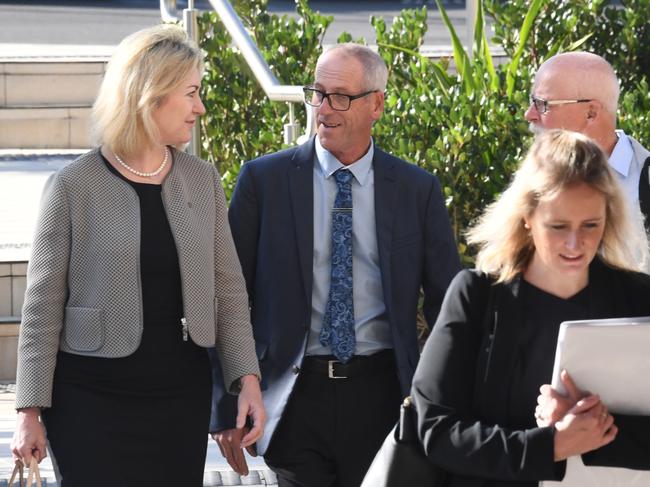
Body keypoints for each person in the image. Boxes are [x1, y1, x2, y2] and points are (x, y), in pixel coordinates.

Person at [11, 24, 265, 487]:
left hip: (179, 398)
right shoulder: (72, 186)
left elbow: (229, 291)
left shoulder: (202, 180)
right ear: (152, 95)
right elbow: (42, 307)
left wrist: (246, 379)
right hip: (90, 400)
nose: (200, 107)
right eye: (190, 93)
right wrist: (29, 411)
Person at [210, 42, 461, 486]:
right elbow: (226, 298)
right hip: (293, 397)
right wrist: (225, 401)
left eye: (340, 97)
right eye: (318, 93)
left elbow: (449, 305)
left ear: (377, 104)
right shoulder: (263, 182)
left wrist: (450, 403)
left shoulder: (415, 190)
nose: (324, 109)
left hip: (385, 396)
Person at [410, 129, 650, 487]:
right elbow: (435, 428)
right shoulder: (477, 297)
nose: (575, 243)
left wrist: (594, 428)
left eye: (591, 225)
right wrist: (549, 446)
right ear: (526, 217)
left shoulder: (637, 299)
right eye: (558, 226)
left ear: (609, 217)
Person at [525, 51, 650, 234]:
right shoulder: (532, 179)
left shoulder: (644, 180)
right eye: (532, 101)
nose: (529, 115)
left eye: (543, 104)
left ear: (591, 113)